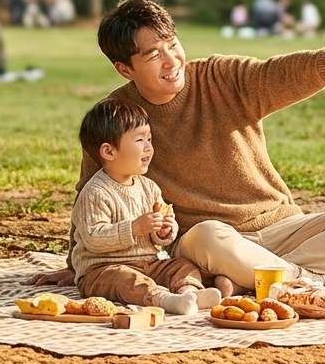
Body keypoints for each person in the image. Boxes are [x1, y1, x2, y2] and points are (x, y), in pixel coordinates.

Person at [30, 0, 325, 297]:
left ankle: (252, 279)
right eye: (154, 55)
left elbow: (274, 74)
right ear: (126, 69)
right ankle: (315, 283)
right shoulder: (117, 119)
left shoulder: (220, 77)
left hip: (280, 226)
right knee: (207, 233)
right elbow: (90, 194)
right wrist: (75, 263)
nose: (172, 61)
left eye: (172, 44)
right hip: (209, 244)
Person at [70, 98, 222, 315]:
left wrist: (164, 231)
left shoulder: (149, 187)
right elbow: (93, 238)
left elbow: (159, 239)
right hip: (102, 270)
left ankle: (190, 292)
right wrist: (133, 228)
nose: (149, 147)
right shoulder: (95, 192)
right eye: (140, 139)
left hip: (147, 263)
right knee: (127, 279)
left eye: (149, 138)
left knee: (181, 266)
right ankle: (162, 299)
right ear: (109, 152)